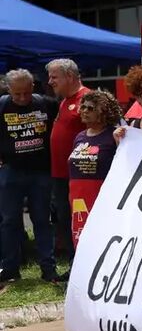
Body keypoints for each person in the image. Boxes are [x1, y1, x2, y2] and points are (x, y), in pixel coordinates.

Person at [0, 69, 58, 285]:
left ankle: (48, 269)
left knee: (43, 220)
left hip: (40, 172)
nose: (23, 98)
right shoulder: (2, 105)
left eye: (26, 92)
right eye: (17, 94)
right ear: (9, 90)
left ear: (33, 87)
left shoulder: (47, 104)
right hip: (10, 171)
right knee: (9, 221)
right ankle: (10, 268)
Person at [46, 58, 90, 262]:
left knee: (80, 220)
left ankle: (81, 264)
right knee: (65, 220)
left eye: (54, 77)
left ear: (70, 76)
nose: (50, 81)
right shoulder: (64, 101)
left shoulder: (87, 99)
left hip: (80, 176)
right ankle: (73, 263)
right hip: (61, 175)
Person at [68, 91, 121, 249]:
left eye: (90, 108)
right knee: (80, 235)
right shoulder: (79, 137)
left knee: (101, 236)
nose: (84, 111)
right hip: (78, 195)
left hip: (101, 194)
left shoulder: (114, 135)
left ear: (104, 112)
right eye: (82, 107)